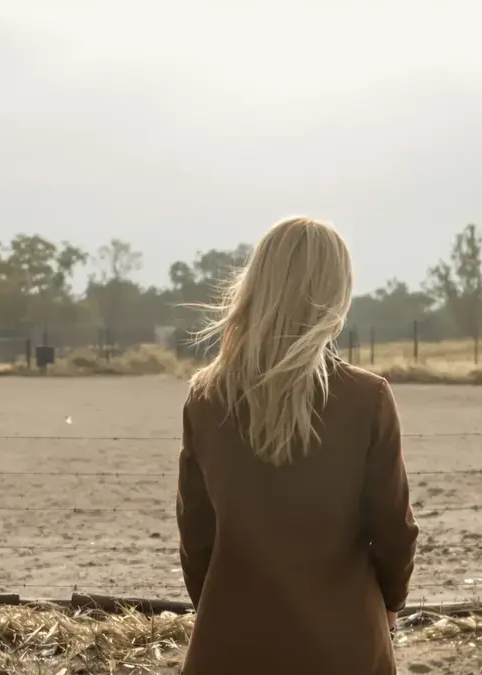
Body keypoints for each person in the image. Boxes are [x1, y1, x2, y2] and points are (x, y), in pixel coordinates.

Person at [175, 216, 420, 675]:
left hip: (230, 646)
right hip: (344, 646)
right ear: (335, 295)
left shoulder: (206, 398)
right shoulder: (366, 398)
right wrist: (391, 604)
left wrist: (218, 612)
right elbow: (392, 529)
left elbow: (196, 537)